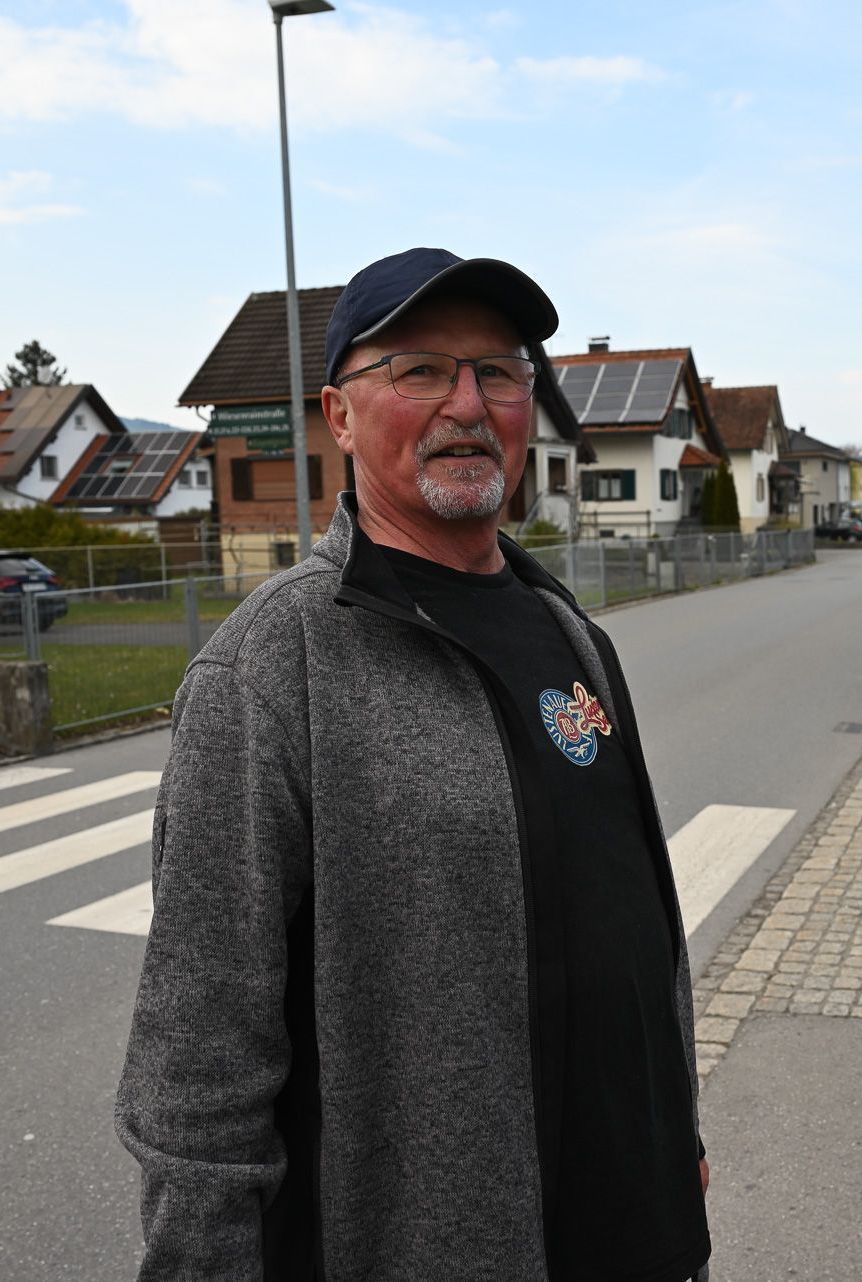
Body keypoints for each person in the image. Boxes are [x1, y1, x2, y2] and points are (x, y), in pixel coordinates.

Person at [116, 247, 712, 1282]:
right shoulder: (274, 668)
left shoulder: (569, 634)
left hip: (641, 1239)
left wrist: (679, 1137)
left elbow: (630, 923)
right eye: (420, 370)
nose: (468, 403)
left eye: (499, 371)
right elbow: (197, 1062)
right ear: (339, 416)